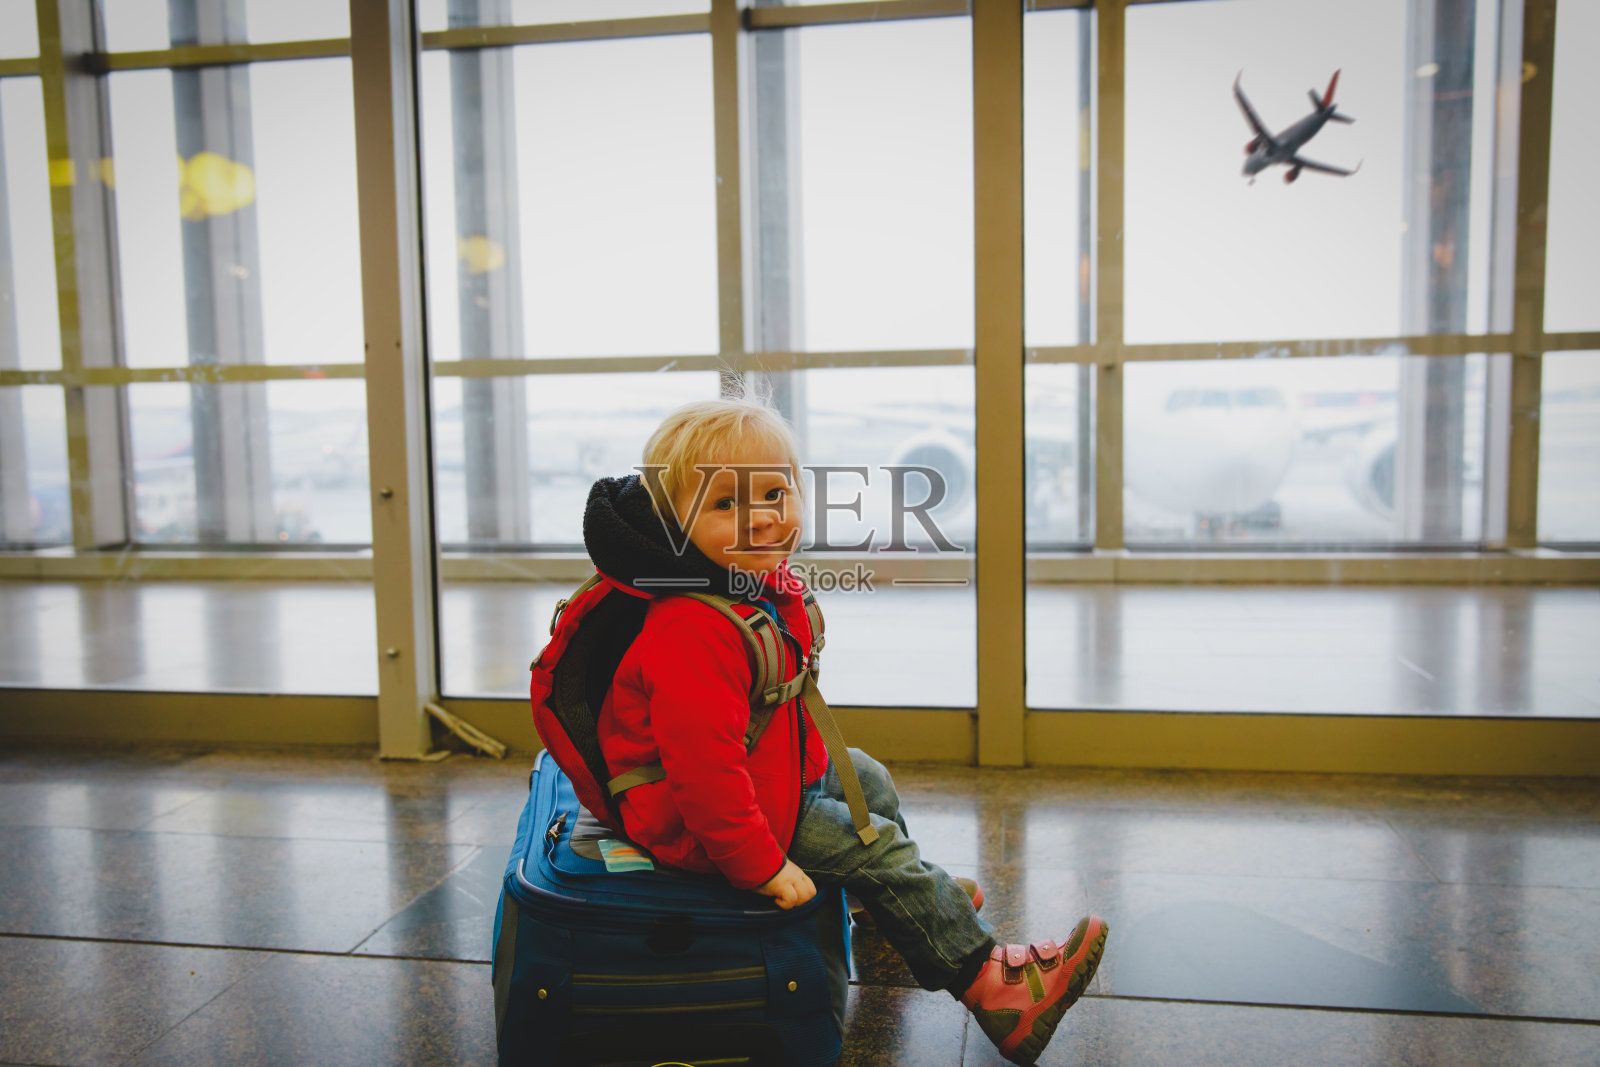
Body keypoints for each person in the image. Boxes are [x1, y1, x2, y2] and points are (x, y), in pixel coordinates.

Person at [581, 391, 1108, 1065]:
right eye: (724, 505)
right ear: (673, 528)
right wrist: (760, 865)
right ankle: (997, 991)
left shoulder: (749, 587)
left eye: (774, 493)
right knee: (871, 842)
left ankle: (898, 911)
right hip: (703, 822)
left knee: (868, 780)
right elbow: (704, 776)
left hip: (764, 775)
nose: (761, 519)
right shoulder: (691, 630)